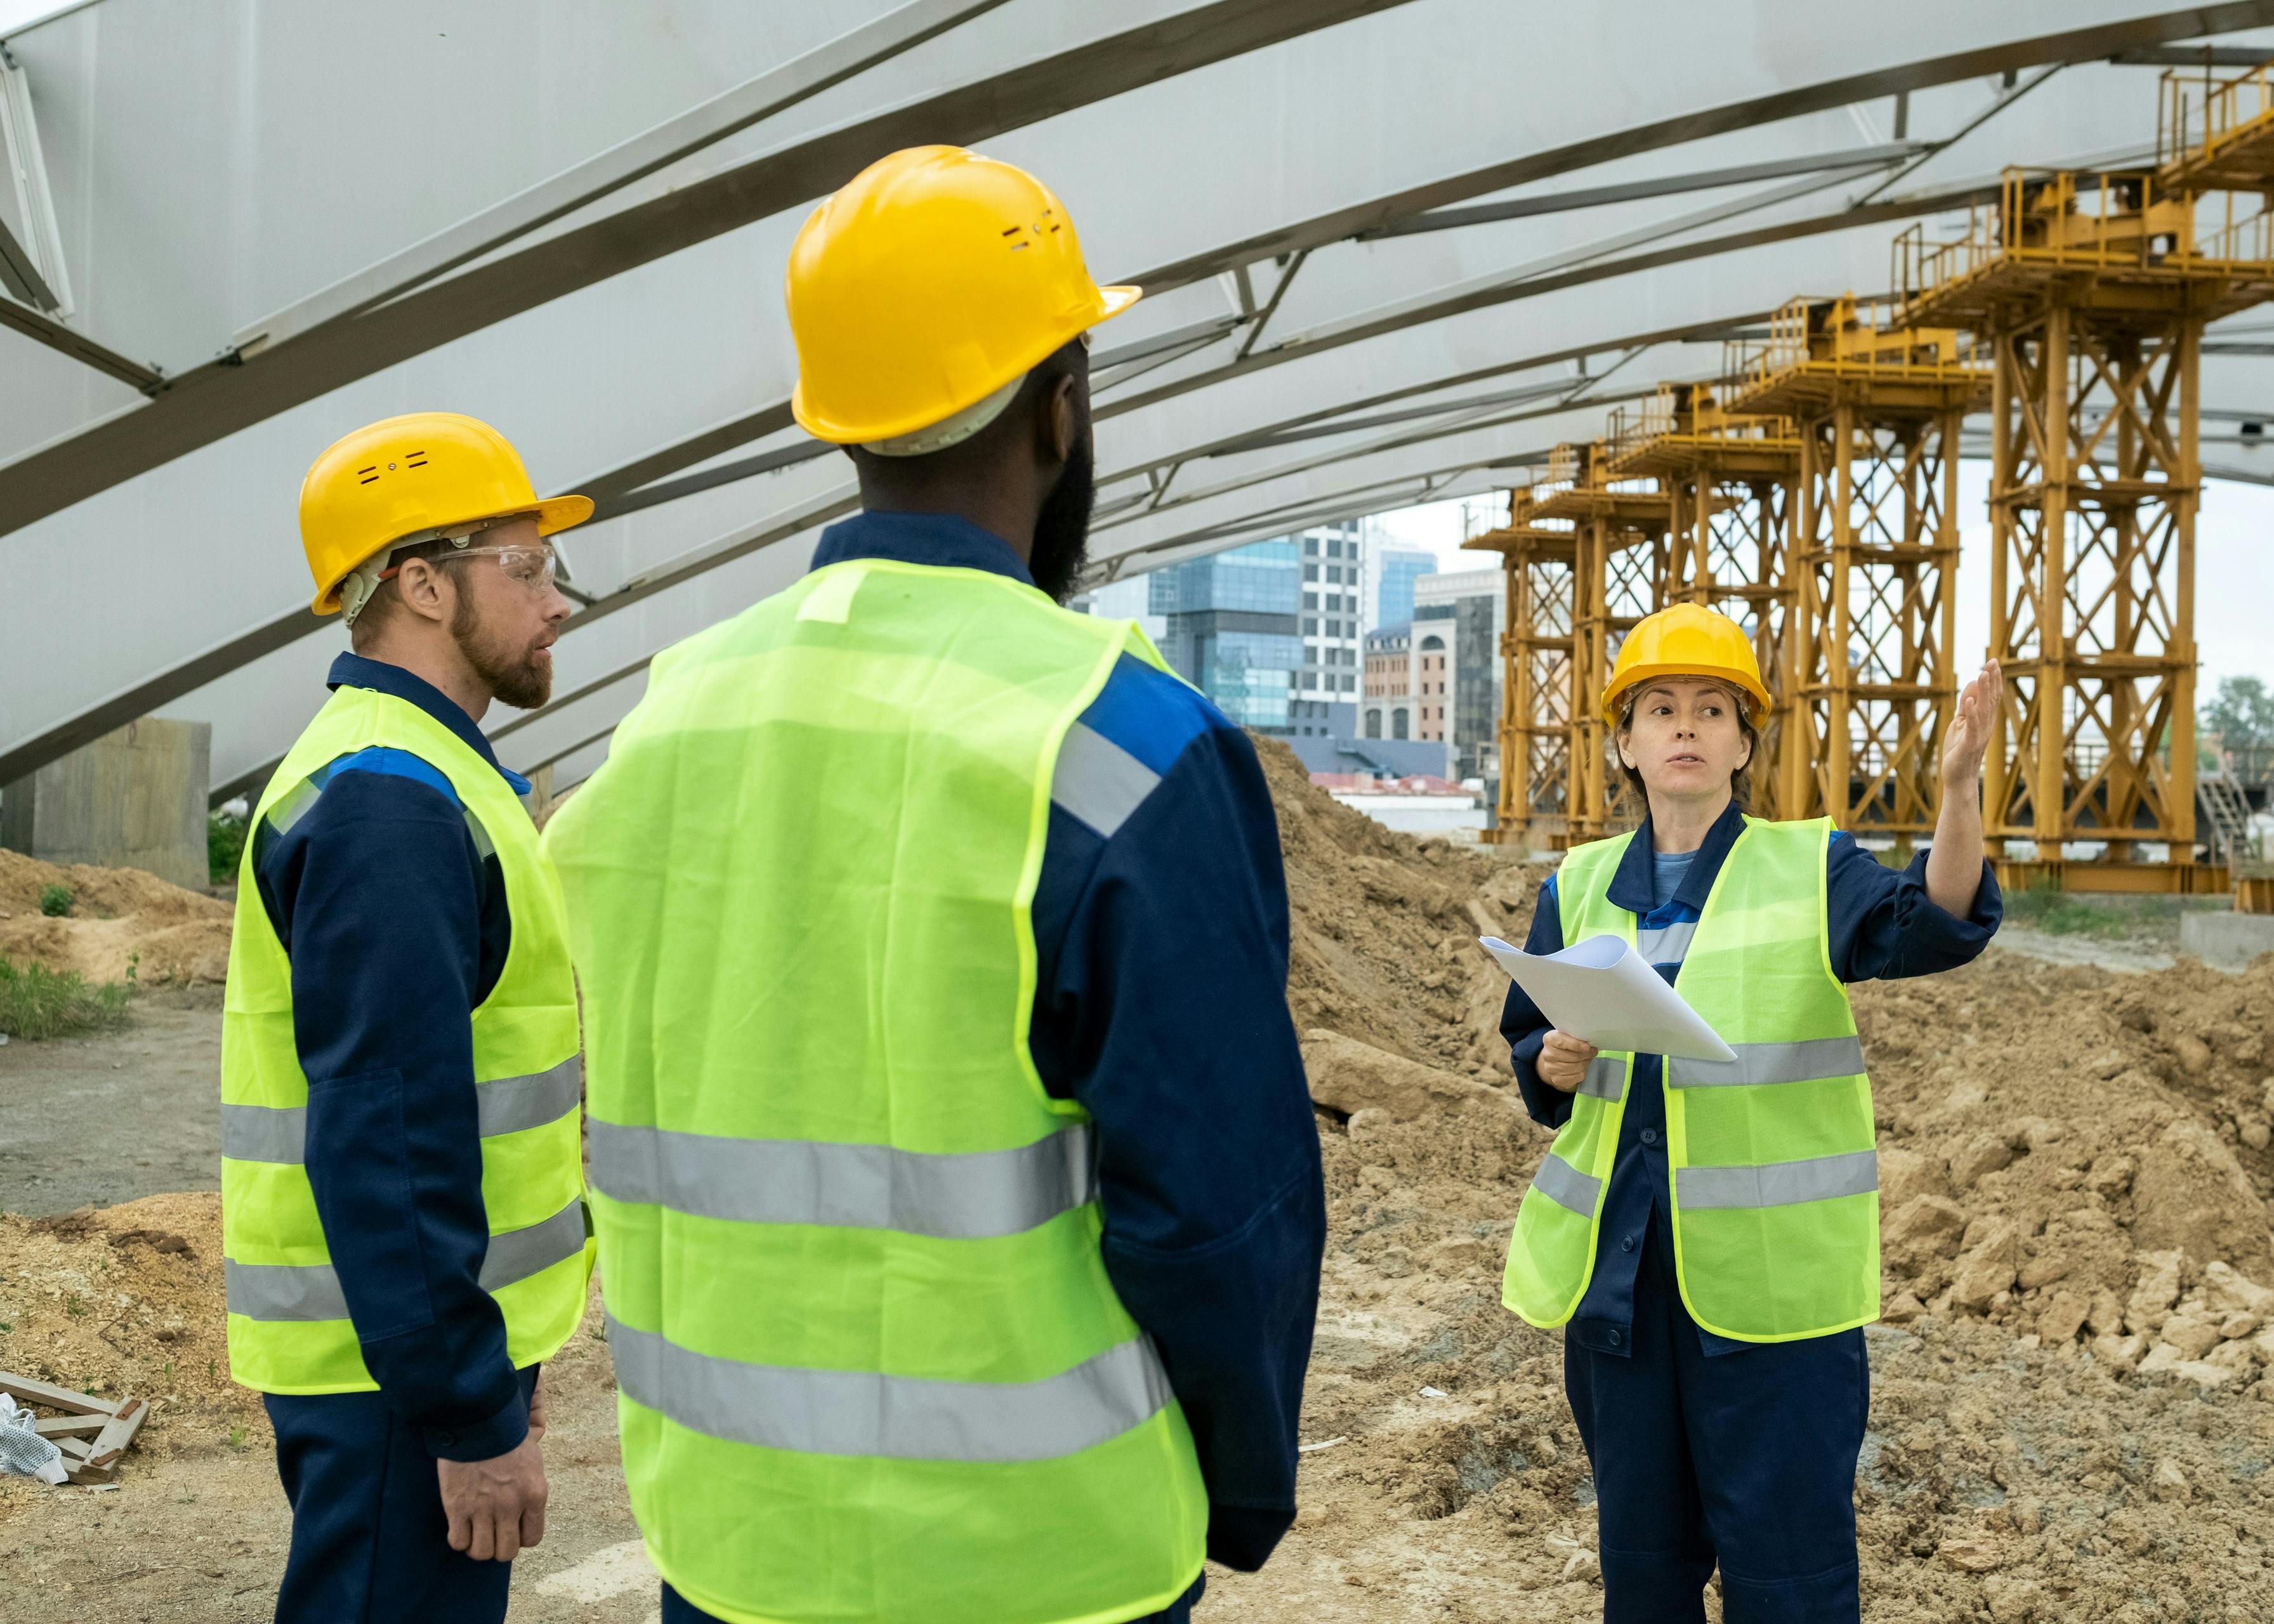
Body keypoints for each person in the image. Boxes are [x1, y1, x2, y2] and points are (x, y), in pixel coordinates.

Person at [541, 145, 1325, 1624]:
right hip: (1044, 1557)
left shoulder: (668, 725)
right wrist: (1240, 1483)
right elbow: (1221, 1209)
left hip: (733, 1542)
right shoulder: (1123, 738)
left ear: (836, 422)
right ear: (1062, 405)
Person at [1497, 601, 2004, 1623]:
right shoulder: (1580, 884)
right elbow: (1533, 1046)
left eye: (1713, 709)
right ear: (1628, 744)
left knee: (1790, 1580)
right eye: (1662, 709)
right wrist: (1547, 1061)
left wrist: (1958, 791)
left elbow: (1941, 927)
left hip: (1774, 1305)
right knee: (1643, 1568)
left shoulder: (1809, 868)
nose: (1687, 727)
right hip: (1622, 1291)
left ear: (1742, 743)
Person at [221, 413, 595, 1623]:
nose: (559, 607)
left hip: (397, 1350)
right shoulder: (393, 805)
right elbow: (387, 1135)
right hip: (393, 1374)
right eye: (527, 570)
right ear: (424, 585)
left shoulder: (412, 771)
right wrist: (465, 1410)